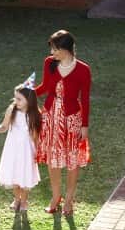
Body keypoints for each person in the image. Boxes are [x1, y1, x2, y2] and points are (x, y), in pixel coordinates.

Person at [33, 30, 91, 216]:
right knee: (53, 158)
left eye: (56, 49)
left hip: (72, 120)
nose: (52, 52)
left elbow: (86, 99)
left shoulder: (83, 70)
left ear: (66, 49)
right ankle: (56, 196)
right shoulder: (49, 63)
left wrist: (84, 126)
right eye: (52, 48)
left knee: (72, 160)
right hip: (51, 118)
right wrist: (26, 94)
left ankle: (69, 198)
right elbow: (44, 87)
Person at [0, 75, 42, 212]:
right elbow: (4, 127)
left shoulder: (34, 115)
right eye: (15, 98)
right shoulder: (12, 110)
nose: (16, 101)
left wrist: (38, 151)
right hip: (12, 148)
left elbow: (35, 136)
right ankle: (16, 199)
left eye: (19, 99)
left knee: (25, 174)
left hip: (27, 150)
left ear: (29, 100)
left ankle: (24, 201)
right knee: (15, 173)